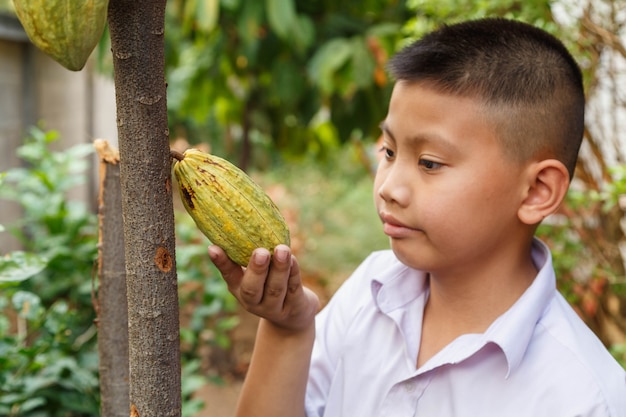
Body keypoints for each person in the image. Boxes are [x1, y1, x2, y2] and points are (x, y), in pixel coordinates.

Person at [208, 17, 626, 417]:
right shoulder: (370, 293)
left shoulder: (584, 400)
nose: (389, 186)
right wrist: (287, 329)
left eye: (429, 163)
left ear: (537, 191)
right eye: (389, 152)